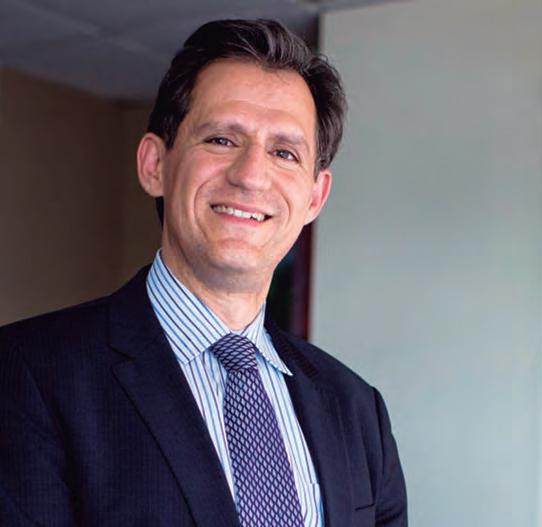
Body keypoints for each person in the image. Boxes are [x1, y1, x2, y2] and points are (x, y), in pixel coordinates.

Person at [0, 19, 407, 527]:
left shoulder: (358, 410)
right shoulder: (26, 374)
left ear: (314, 197)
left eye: (284, 153)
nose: (251, 175)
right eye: (220, 139)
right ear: (155, 165)